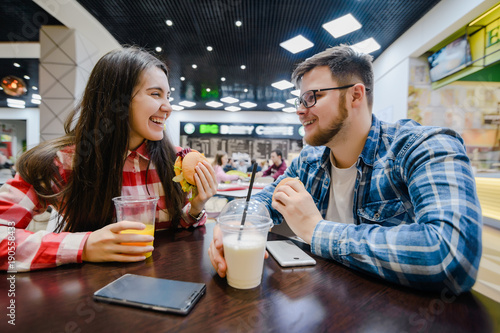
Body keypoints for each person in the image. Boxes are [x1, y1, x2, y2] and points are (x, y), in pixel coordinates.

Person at [209, 45, 482, 294]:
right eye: (299, 101)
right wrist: (233, 224)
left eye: (311, 97)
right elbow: (265, 201)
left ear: (355, 95)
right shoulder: (309, 161)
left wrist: (317, 230)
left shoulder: (423, 147)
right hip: (326, 308)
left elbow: (452, 255)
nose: (300, 111)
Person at [0, 47, 218, 272]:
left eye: (168, 96)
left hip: (164, 285)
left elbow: (175, 229)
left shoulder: (176, 160)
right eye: (155, 94)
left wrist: (196, 207)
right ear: (117, 100)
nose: (168, 108)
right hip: (85, 296)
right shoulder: (62, 162)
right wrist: (84, 246)